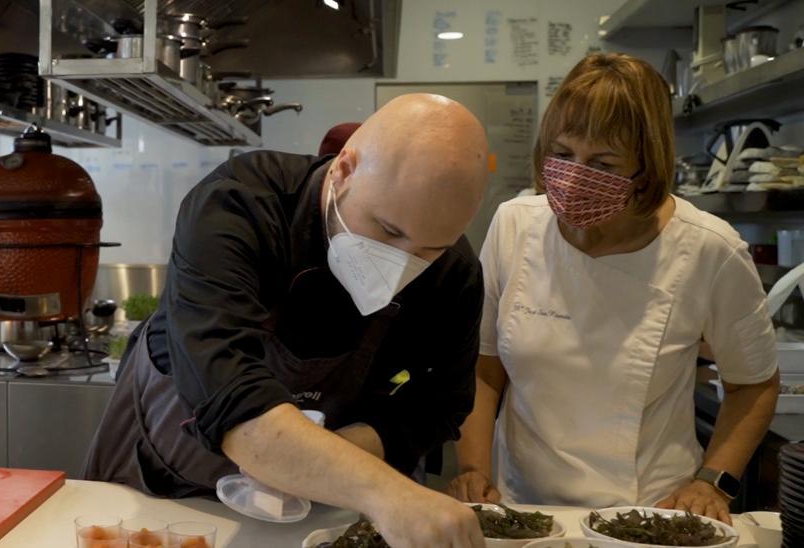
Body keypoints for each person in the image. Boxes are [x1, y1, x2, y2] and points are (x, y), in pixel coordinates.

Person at [84, 94, 492, 547]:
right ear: (344, 170)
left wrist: (328, 461)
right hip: (158, 489)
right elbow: (231, 394)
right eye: (388, 231)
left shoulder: (454, 272)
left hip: (313, 512)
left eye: (428, 251)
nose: (400, 265)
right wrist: (387, 492)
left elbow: (437, 405)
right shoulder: (238, 205)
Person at [447, 53, 780, 524]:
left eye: (602, 162)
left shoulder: (709, 248)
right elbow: (483, 367)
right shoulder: (514, 225)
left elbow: (755, 384)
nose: (576, 175)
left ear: (646, 168)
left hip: (649, 512)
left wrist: (712, 482)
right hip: (523, 504)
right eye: (562, 155)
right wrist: (474, 470)